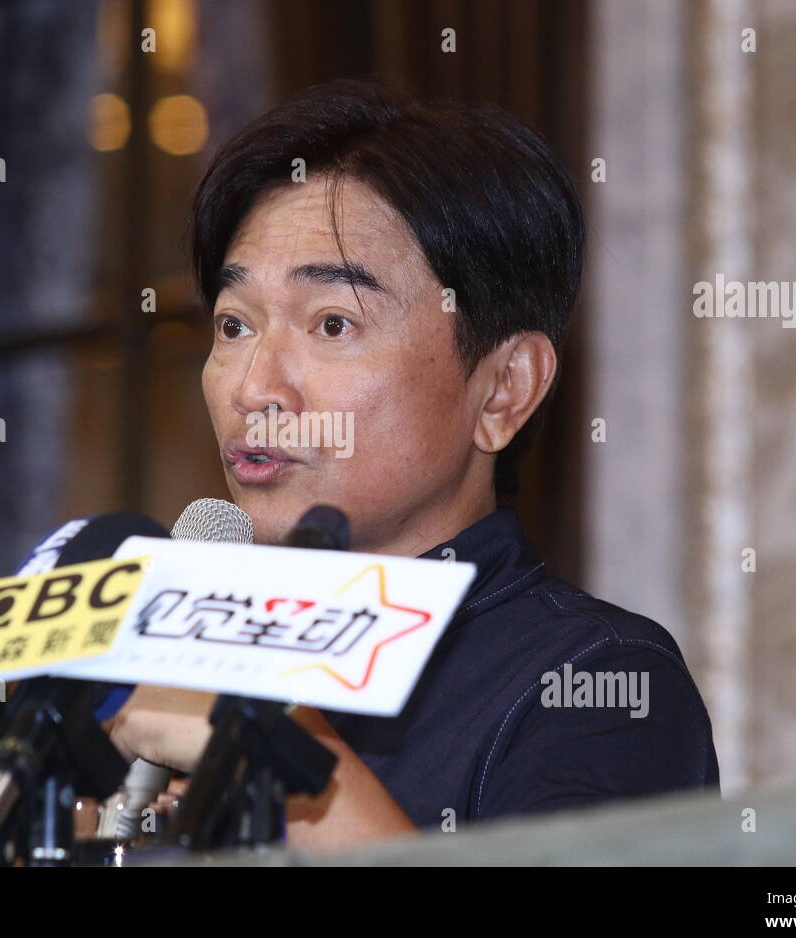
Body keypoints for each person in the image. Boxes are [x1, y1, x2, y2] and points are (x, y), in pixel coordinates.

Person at [108, 78, 719, 851]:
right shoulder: (150, 657)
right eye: (234, 325)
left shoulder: (596, 684)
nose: (254, 387)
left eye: (332, 323)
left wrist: (290, 763)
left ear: (504, 389)